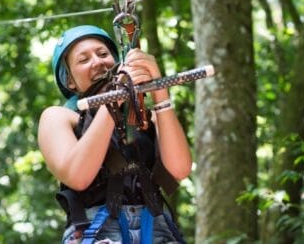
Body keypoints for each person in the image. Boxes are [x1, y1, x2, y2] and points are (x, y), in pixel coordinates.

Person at [38, 25, 192, 243]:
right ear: (70, 81)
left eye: (103, 54)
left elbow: (179, 170)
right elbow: (78, 177)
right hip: (96, 229)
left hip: (157, 227)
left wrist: (159, 93)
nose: (98, 62)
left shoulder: (148, 117)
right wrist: (114, 99)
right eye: (84, 60)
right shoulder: (60, 117)